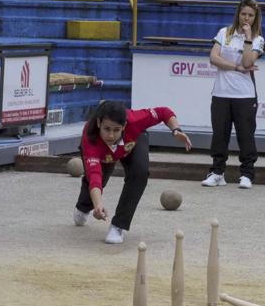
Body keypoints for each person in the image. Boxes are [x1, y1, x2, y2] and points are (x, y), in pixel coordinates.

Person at [73, 101, 192, 244]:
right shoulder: (90, 137)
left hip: (132, 142)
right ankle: (83, 207)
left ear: (124, 126)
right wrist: (98, 205)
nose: (111, 135)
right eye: (106, 128)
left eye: (116, 129)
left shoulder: (135, 119)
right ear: (98, 123)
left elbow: (164, 112)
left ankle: (118, 226)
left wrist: (176, 130)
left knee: (140, 172)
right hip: (102, 153)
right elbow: (94, 175)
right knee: (99, 179)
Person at [202, 0, 265, 189]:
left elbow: (248, 62)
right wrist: (235, 68)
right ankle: (217, 172)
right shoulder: (224, 32)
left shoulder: (258, 39)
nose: (246, 18)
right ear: (238, 14)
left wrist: (247, 38)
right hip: (221, 93)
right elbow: (214, 58)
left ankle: (247, 174)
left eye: (250, 15)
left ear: (255, 18)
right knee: (219, 135)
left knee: (246, 135)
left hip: (245, 95)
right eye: (243, 14)